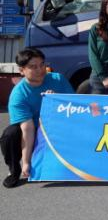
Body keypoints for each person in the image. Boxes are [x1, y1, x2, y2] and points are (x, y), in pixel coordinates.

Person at [0, 48, 74, 188]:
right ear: (21, 70)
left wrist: (57, 100)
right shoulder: (18, 95)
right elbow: (27, 129)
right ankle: (14, 171)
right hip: (33, 130)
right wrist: (26, 162)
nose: (40, 69)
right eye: (33, 67)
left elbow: (75, 106)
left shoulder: (58, 79)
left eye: (42, 64)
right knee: (10, 134)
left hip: (57, 127)